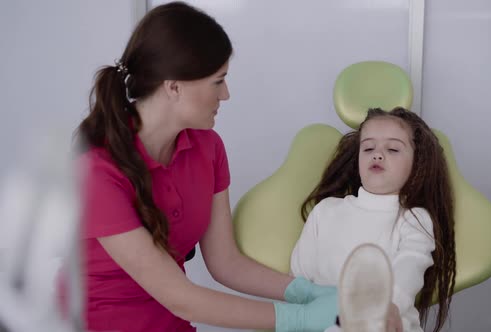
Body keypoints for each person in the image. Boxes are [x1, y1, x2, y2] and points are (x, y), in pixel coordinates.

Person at [71, 2, 338, 331]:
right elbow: (180, 297)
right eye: (218, 80)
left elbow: (226, 263)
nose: (226, 94)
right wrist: (300, 319)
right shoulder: (97, 172)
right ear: (174, 86)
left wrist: (305, 292)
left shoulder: (207, 148)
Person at [291, 107, 457, 332]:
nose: (377, 154)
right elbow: (299, 280)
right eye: (368, 147)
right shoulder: (326, 210)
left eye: (393, 149)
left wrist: (389, 307)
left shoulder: (414, 219)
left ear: (417, 164)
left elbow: (410, 266)